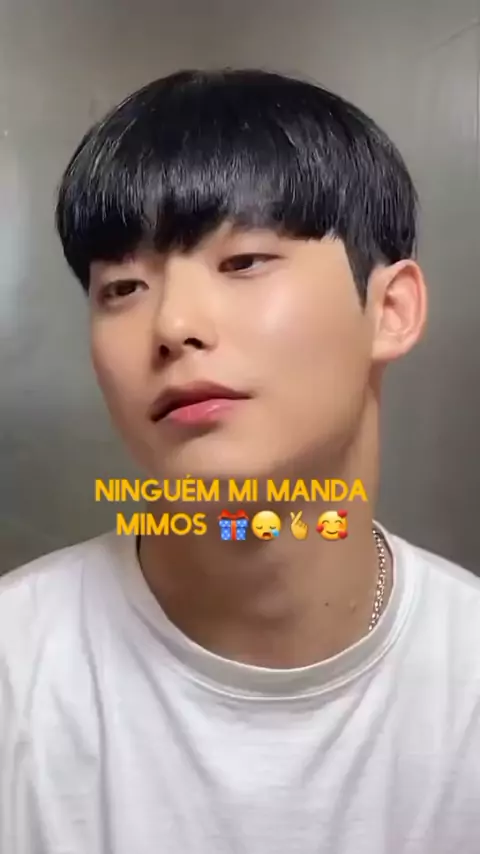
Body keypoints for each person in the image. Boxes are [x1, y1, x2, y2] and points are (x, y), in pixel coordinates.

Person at [1, 68, 479, 854]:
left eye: (245, 261)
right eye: (123, 287)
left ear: (390, 310)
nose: (173, 325)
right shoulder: (17, 674)